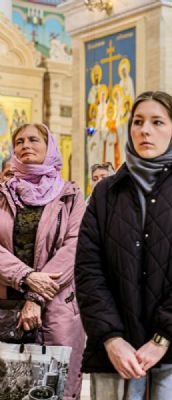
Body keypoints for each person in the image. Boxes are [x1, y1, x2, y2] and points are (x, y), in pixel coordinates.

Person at [75, 91, 172, 399]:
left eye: (157, 122)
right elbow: (89, 270)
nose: (145, 130)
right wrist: (111, 338)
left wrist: (162, 338)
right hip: (116, 353)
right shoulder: (106, 192)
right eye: (138, 122)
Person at [0, 123, 86, 399]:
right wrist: (25, 276)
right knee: (8, 390)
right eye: (19, 141)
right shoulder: (2, 194)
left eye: (34, 139)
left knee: (56, 389)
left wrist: (35, 297)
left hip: (56, 305)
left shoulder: (70, 195)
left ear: (50, 147)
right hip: (6, 306)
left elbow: (74, 247)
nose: (26, 145)